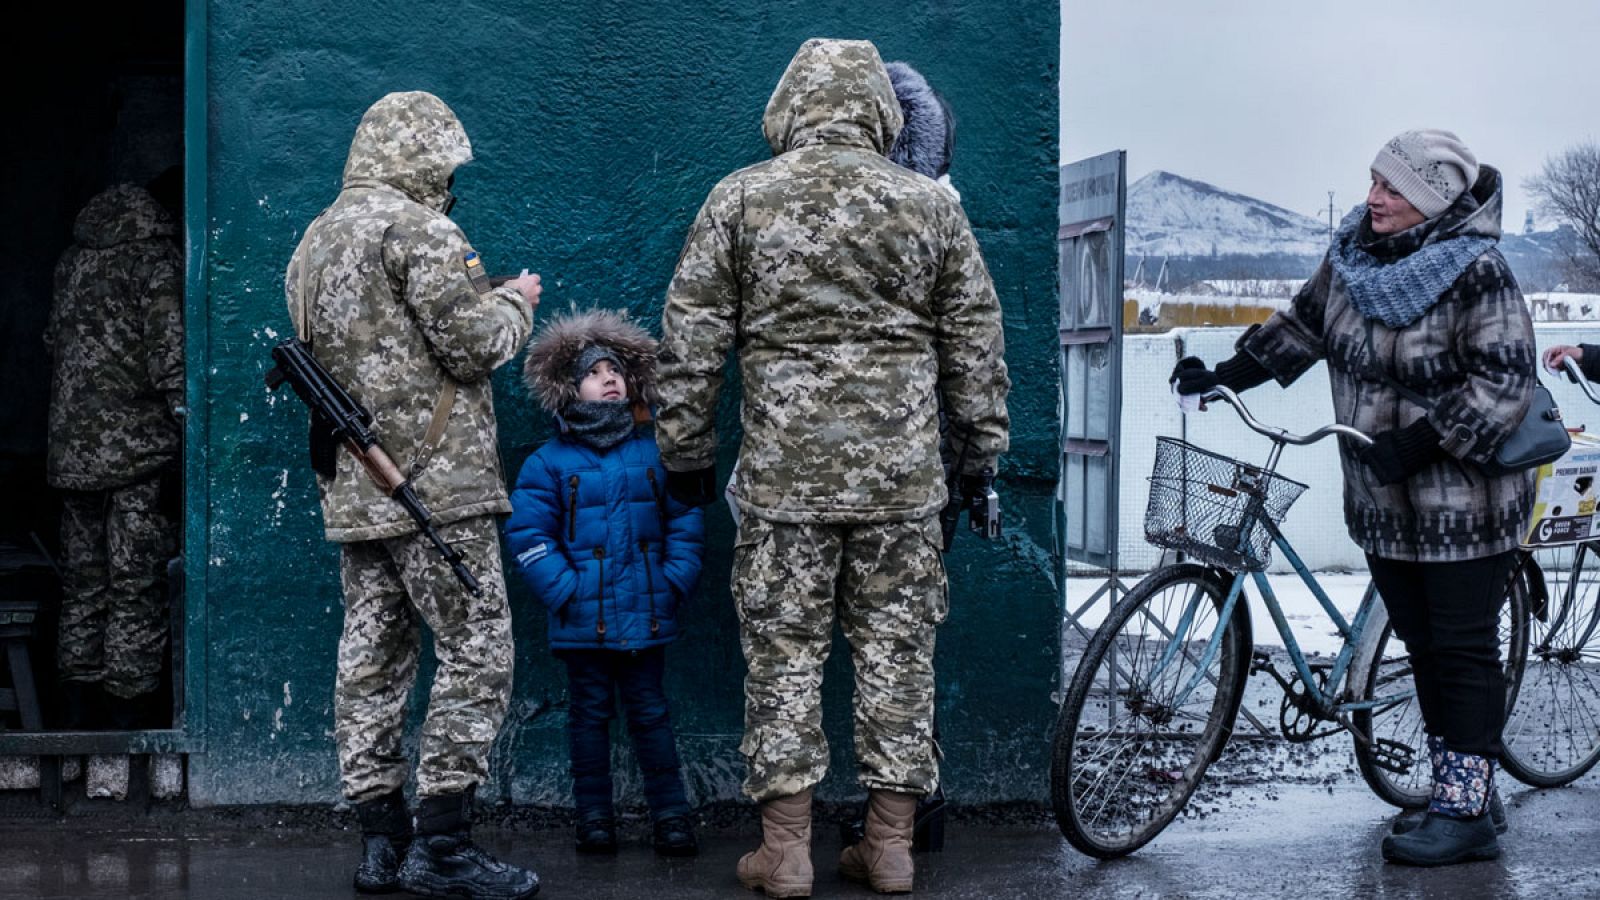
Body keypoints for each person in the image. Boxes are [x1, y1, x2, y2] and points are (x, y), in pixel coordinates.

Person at [656, 38, 1010, 896]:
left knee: (783, 656)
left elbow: (691, 340)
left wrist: (687, 456)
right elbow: (975, 343)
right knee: (898, 655)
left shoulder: (739, 198)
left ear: (790, 106)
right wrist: (978, 458)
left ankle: (784, 852)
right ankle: (888, 847)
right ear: (877, 112)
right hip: (901, 486)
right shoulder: (928, 206)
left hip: (784, 483)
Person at [1172, 129, 1534, 867]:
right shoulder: (1351, 262)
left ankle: (1466, 813)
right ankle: (1465, 789)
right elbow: (1302, 326)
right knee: (1424, 647)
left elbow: (1504, 381)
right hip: (1380, 499)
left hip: (1464, 501)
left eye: (1394, 189)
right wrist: (1228, 376)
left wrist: (1426, 440)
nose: (1374, 198)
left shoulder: (1479, 271)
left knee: (1461, 650)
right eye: (1373, 181)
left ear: (1433, 200)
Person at [283, 91, 541, 899]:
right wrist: (515, 302)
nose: (450, 178)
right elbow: (472, 346)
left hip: (359, 490)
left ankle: (382, 842)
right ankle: (446, 845)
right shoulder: (421, 229)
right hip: (440, 492)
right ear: (425, 155)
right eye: (447, 163)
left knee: (370, 660)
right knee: (478, 648)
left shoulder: (314, 240)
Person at [504, 309, 705, 858]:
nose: (608, 377)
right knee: (589, 717)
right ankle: (594, 819)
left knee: (651, 713)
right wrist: (565, 589)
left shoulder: (654, 451)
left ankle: (671, 817)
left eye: (615, 369)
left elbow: (685, 520)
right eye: (594, 372)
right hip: (580, 617)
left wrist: (673, 579)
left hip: (647, 609)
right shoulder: (547, 462)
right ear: (570, 389)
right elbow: (528, 534)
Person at [45, 180, 184, 730]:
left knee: (82, 583)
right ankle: (127, 730)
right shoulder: (155, 260)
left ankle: (77, 724)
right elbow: (170, 354)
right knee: (137, 585)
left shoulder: (72, 261)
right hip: (137, 455)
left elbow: (53, 341)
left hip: (72, 455)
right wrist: (185, 422)